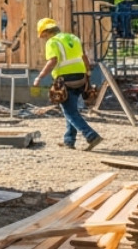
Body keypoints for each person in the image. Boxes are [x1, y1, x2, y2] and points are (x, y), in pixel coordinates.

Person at [32, 18, 102, 151]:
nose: (43, 39)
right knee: (71, 108)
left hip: (66, 80)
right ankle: (69, 140)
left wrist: (40, 77)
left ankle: (91, 135)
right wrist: (87, 73)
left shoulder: (52, 42)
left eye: (43, 35)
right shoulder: (73, 38)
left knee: (69, 112)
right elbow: (84, 57)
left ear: (47, 32)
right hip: (80, 78)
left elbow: (53, 61)